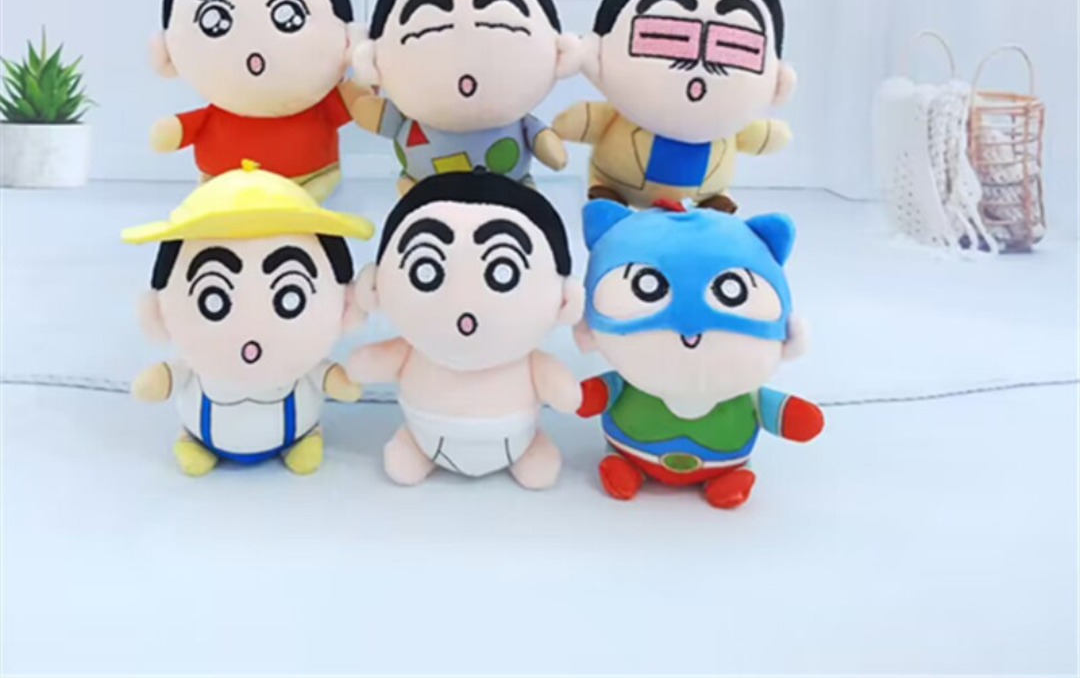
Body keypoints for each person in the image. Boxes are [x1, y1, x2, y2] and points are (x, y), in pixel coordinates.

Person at [123, 160, 374, 476]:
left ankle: (304, 438)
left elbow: (332, 380)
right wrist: (158, 380)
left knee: (305, 451)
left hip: (295, 431)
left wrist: (341, 381)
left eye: (291, 296)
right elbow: (164, 380)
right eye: (212, 300)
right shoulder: (194, 364)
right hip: (204, 434)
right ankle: (193, 440)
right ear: (157, 311)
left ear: (345, 306)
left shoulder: (304, 365)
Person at [575, 199, 823, 507]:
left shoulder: (742, 389)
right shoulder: (629, 379)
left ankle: (730, 474)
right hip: (630, 450)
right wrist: (581, 396)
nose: (689, 330)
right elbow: (593, 395)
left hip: (723, 459)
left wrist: (789, 415)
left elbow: (790, 416)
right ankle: (625, 463)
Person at [347, 172, 582, 488]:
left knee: (538, 470)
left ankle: (529, 449)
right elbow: (363, 366)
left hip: (515, 440)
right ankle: (416, 448)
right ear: (375, 287)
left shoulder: (530, 362)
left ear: (565, 298)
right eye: (426, 270)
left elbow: (566, 395)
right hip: (426, 437)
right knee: (403, 466)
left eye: (503, 271)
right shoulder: (410, 349)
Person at [553, 0, 795, 211]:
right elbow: (578, 123)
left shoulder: (728, 129)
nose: (698, 69)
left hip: (705, 194)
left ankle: (712, 204)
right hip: (618, 187)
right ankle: (609, 199)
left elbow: (764, 137)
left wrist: (767, 134)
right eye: (667, 37)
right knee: (606, 208)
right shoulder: (618, 115)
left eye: (733, 46)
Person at [351, 0, 581, 194]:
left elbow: (546, 146)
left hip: (509, 188)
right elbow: (374, 115)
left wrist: (547, 145)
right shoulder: (409, 116)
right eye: (430, 31)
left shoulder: (521, 123)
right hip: (422, 186)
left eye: (498, 27)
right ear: (373, 58)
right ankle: (416, 194)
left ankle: (522, 197)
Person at [149, 0, 365, 200]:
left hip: (309, 184)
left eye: (290, 16)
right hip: (223, 187)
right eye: (213, 21)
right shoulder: (215, 113)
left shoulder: (323, 106)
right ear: (166, 51)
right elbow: (171, 133)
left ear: (347, 41)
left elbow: (361, 102)